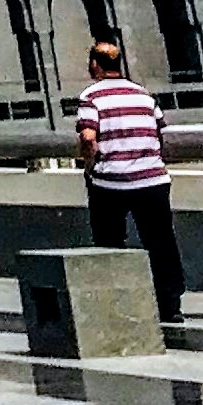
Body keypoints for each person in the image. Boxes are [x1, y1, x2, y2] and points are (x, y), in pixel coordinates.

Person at [68, 36, 185, 324]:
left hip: (111, 183)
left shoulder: (91, 97)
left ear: (95, 65)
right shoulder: (143, 95)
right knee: (160, 241)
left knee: (109, 242)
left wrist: (89, 166)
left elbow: (88, 137)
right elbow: (160, 131)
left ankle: (118, 302)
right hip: (153, 180)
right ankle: (170, 304)